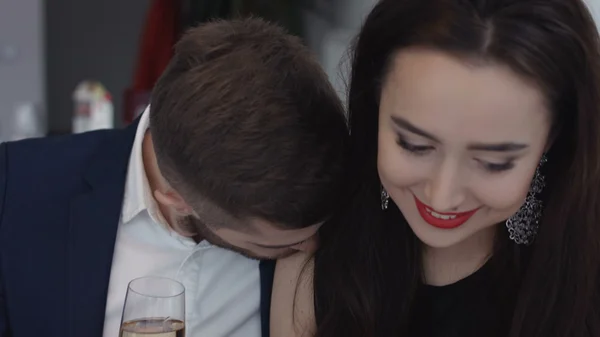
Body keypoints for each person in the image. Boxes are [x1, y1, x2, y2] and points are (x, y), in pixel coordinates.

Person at [0, 18, 348, 337]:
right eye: (274, 245)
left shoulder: (336, 207)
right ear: (177, 198)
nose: (311, 247)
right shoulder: (14, 191)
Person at [272, 0, 600, 336]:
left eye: (493, 164)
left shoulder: (584, 283)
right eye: (414, 145)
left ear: (553, 138)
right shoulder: (311, 255)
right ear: (375, 103)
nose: (442, 198)